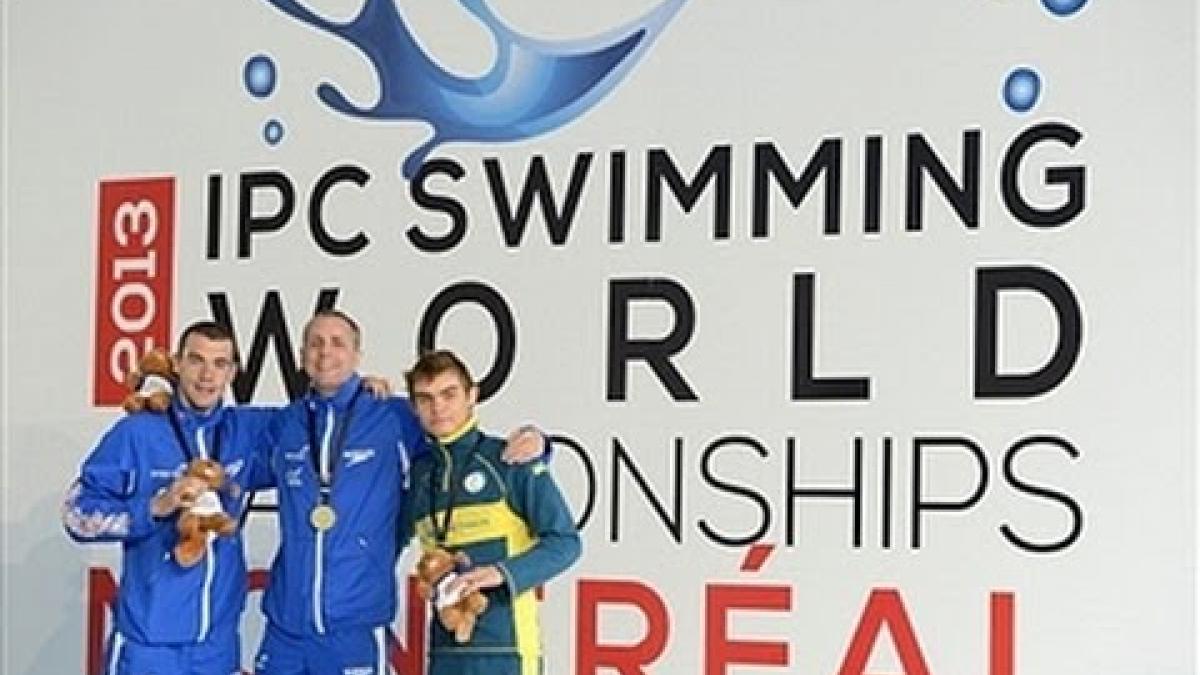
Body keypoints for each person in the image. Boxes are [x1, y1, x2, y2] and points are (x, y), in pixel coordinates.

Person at [253, 310, 545, 675]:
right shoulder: (283, 423)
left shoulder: (393, 415)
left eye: (337, 343)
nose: (325, 352)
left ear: (357, 356)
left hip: (356, 626)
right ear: (300, 355)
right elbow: (217, 437)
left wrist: (539, 443)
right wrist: (161, 396)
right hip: (285, 629)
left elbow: (456, 443)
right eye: (315, 343)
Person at [63, 321, 273, 674]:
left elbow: (317, 420)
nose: (207, 375)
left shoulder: (245, 430)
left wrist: (364, 391)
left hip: (217, 650)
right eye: (196, 360)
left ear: (233, 372)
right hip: (148, 648)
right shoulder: (137, 433)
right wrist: (155, 507)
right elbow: (76, 515)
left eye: (220, 364)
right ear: (176, 364)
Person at [403, 349, 581, 675]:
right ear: (414, 407)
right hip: (444, 654)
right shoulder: (419, 475)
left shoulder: (509, 459)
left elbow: (565, 543)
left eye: (449, 394)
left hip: (507, 653)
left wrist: (500, 573)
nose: (438, 407)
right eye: (425, 398)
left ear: (473, 395)